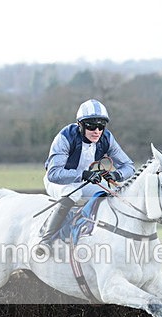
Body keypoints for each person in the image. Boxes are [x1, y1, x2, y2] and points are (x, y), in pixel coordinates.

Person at [37, 99, 136, 255]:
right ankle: (45, 239)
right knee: (74, 193)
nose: (97, 131)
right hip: (60, 182)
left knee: (110, 193)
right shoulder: (65, 137)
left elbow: (129, 166)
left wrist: (116, 174)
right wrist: (83, 174)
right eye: (91, 126)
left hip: (84, 181)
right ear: (80, 125)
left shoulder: (106, 138)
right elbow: (54, 174)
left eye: (101, 126)